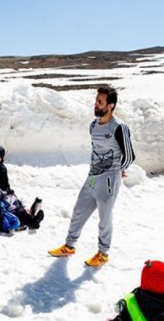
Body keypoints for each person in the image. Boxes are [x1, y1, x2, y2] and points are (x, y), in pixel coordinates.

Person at [48, 86, 135, 267]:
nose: (96, 104)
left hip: (109, 179)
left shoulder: (119, 127)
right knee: (79, 211)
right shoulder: (93, 126)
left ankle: (103, 253)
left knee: (104, 218)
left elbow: (129, 155)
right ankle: (69, 246)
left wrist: (119, 170)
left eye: (100, 102)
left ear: (110, 106)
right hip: (93, 177)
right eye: (96, 101)